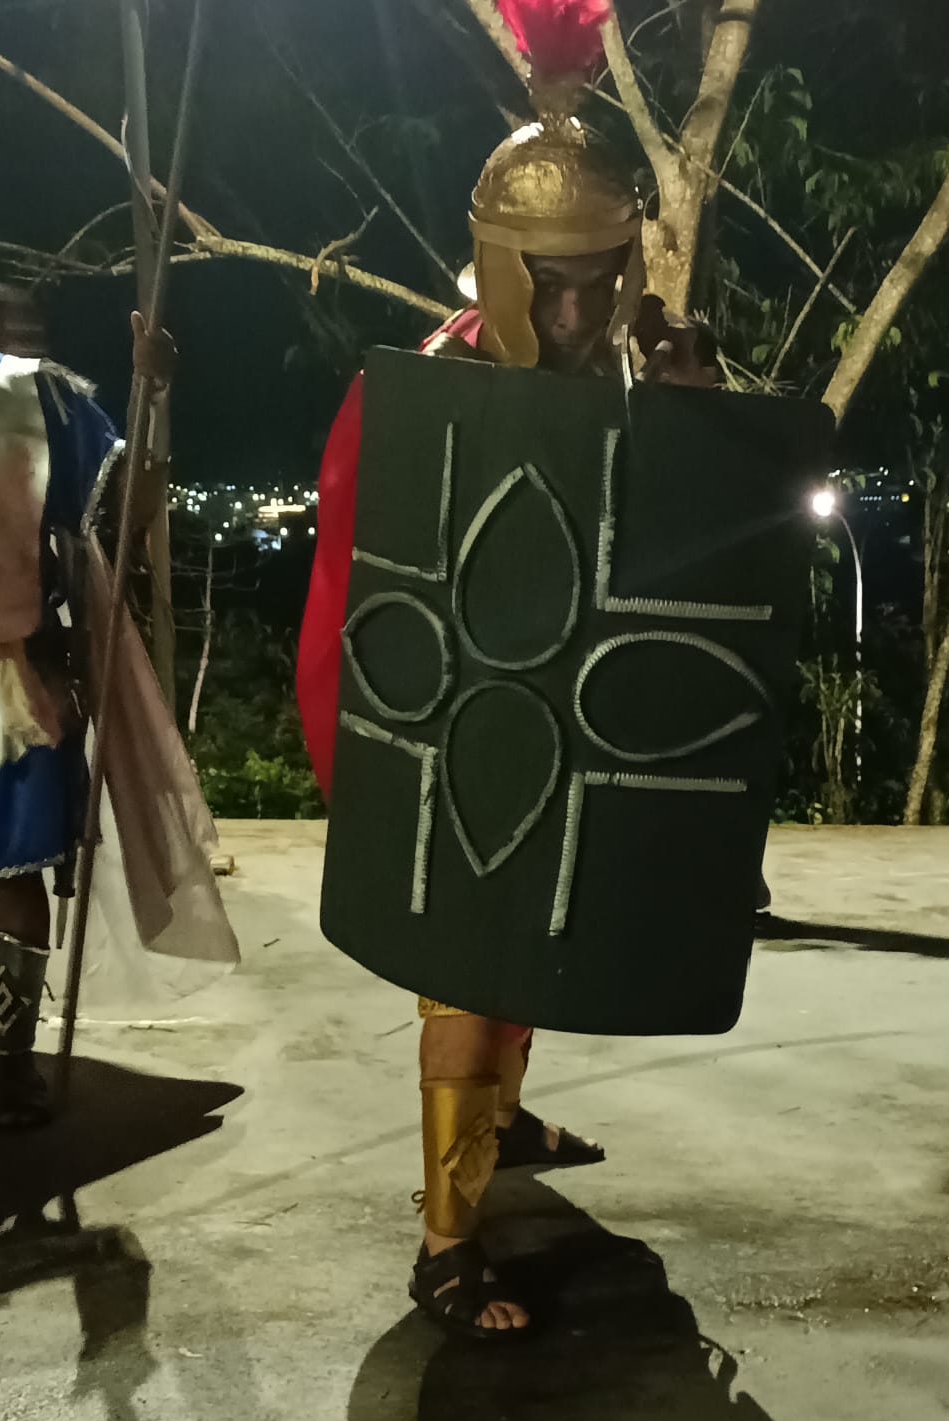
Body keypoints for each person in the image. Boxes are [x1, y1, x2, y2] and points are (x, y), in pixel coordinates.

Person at [297, 8, 717, 1339]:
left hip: (569, 726)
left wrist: (698, 428)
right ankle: (443, 1247)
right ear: (497, 267)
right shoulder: (424, 391)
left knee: (534, 956)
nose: (579, 311)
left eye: (598, 278)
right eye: (551, 283)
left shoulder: (635, 380)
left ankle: (505, 1120)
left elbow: (685, 571)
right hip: (462, 738)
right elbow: (368, 596)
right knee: (467, 980)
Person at [0, 217, 232, 1127]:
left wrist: (153, 396)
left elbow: (125, 510)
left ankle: (16, 1057)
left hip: (21, 683)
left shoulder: (42, 397)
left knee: (19, 874)